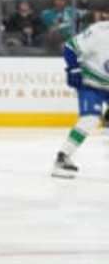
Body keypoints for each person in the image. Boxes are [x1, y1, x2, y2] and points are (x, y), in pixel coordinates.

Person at [52, 21, 109, 179]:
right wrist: (73, 69)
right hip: (91, 83)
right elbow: (70, 48)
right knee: (89, 119)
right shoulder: (100, 32)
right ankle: (62, 158)